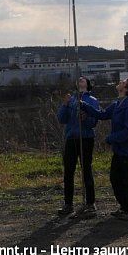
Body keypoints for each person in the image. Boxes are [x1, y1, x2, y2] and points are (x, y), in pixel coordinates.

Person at [81, 77, 128, 221]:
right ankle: (124, 207)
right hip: (119, 150)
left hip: (127, 151)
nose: (120, 82)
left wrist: (111, 138)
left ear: (126, 89)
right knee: (116, 179)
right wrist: (84, 105)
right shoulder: (117, 104)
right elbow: (102, 115)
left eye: (123, 82)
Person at [56, 77, 99, 218]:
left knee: (86, 169)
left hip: (86, 138)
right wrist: (65, 105)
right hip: (71, 137)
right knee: (68, 171)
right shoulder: (71, 100)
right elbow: (62, 119)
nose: (80, 81)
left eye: (83, 79)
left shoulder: (92, 100)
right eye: (78, 80)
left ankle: (90, 203)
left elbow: (94, 121)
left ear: (87, 84)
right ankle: (68, 204)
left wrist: (86, 118)